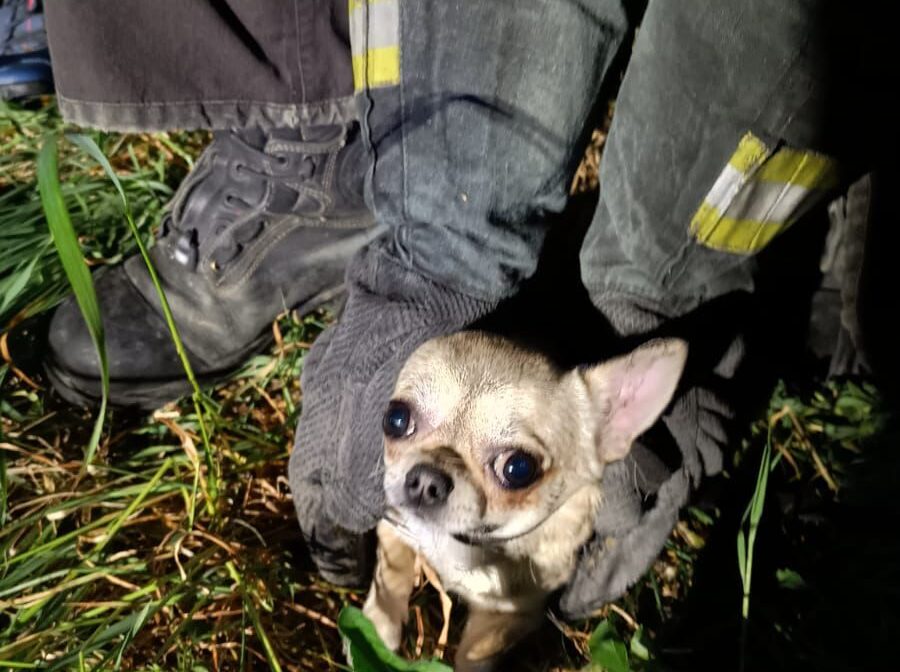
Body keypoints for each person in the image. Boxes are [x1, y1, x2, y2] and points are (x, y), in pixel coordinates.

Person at [40, 0, 890, 621]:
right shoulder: (414, 475)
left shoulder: (596, 448)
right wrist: (423, 269)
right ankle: (333, 152)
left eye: (515, 465)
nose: (427, 470)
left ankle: (746, 239)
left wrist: (669, 308)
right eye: (400, 417)